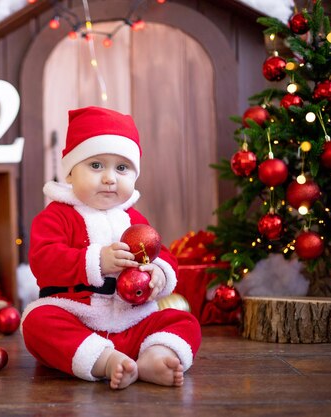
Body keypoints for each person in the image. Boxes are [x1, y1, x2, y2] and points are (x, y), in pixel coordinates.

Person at [21, 106, 201, 390]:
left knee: (184, 321)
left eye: (121, 168)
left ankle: (155, 356)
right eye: (96, 165)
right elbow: (44, 260)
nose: (109, 178)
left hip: (133, 321)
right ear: (70, 173)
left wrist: (158, 273)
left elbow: (161, 252)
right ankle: (104, 360)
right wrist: (98, 261)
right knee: (36, 322)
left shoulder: (133, 219)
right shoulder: (56, 216)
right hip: (78, 319)